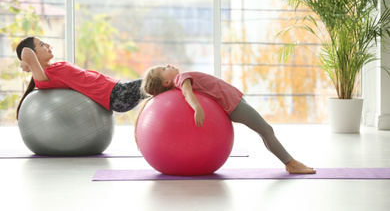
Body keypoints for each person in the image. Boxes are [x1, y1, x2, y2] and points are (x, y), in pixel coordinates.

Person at [136, 65, 316, 174]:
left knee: (264, 131)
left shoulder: (178, 80)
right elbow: (187, 93)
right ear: (166, 83)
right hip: (233, 105)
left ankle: (289, 162)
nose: (168, 65)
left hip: (234, 100)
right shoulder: (181, 79)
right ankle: (291, 163)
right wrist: (197, 108)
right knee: (266, 130)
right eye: (164, 69)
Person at [16, 36, 145, 119]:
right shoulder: (46, 78)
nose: (48, 46)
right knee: (156, 78)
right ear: (33, 54)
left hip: (118, 88)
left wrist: (29, 62)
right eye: (42, 45)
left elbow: (29, 54)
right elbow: (27, 53)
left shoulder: (54, 68)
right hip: (116, 95)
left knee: (157, 82)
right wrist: (26, 63)